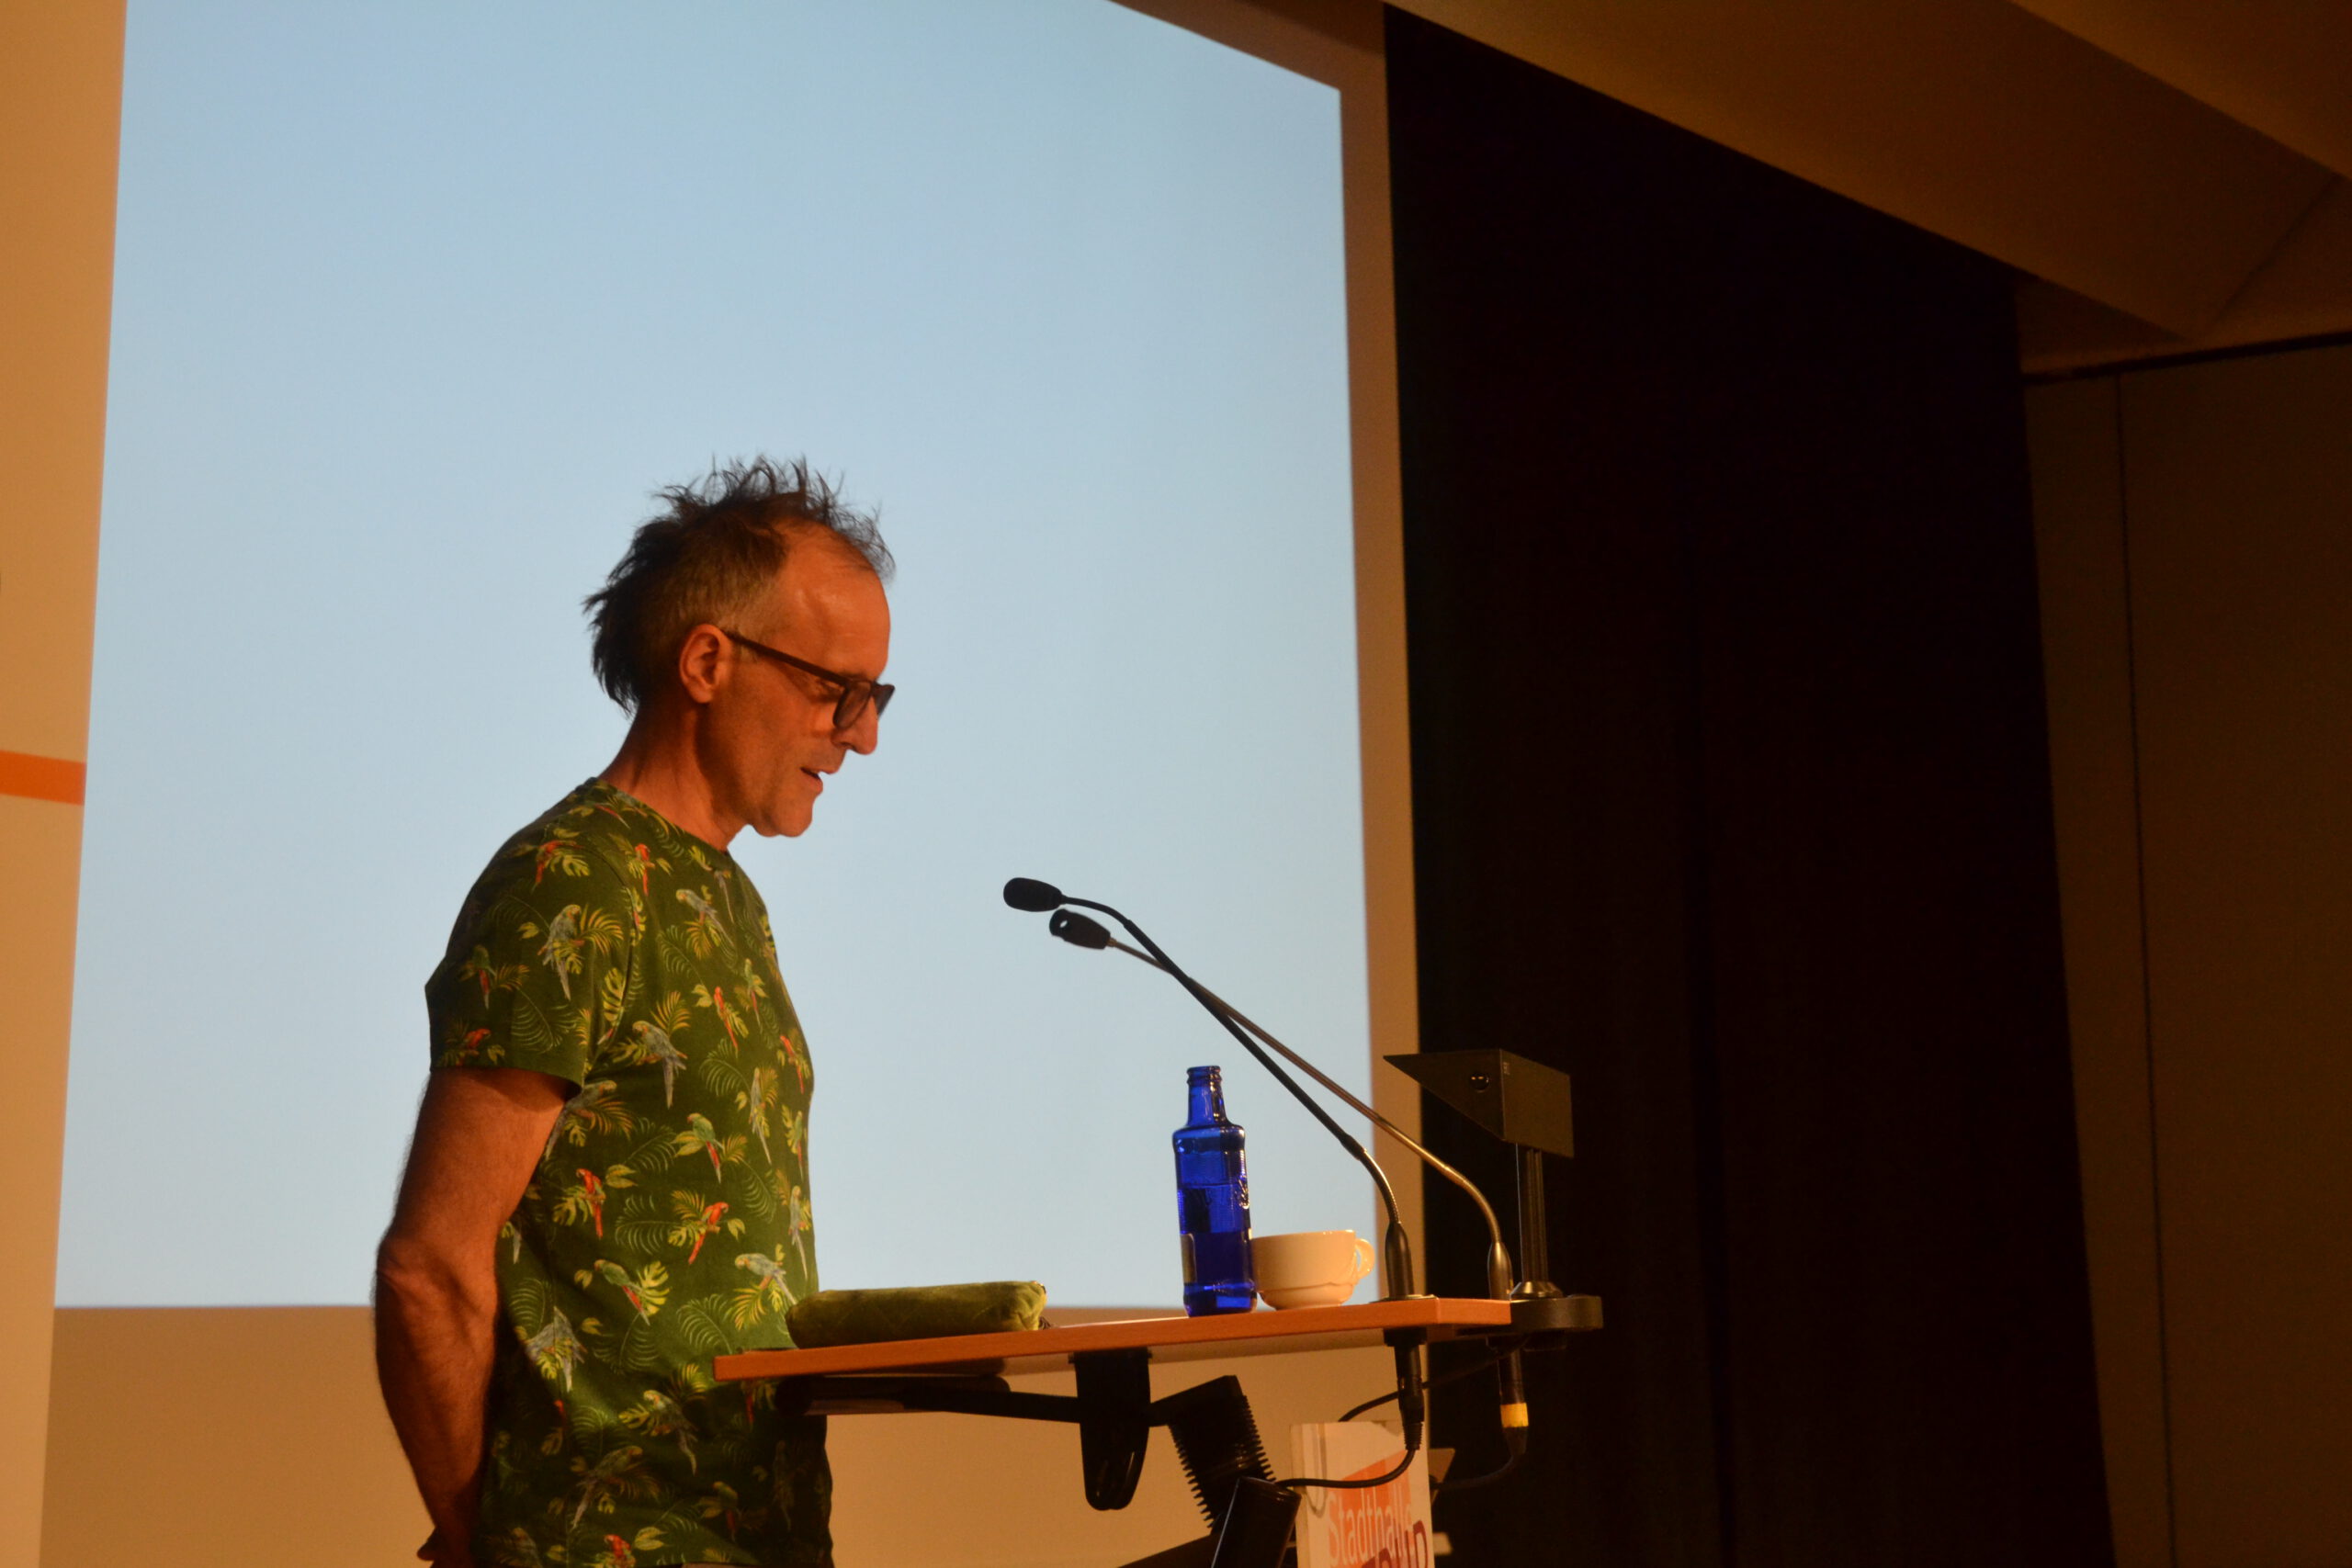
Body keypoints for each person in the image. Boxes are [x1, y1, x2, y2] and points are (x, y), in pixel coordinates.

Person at [375, 457, 894, 1568]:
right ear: (707, 661)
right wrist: (483, 1541)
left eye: (875, 697)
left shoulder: (726, 898)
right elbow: (430, 1267)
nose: (861, 736)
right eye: (836, 691)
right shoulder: (571, 883)